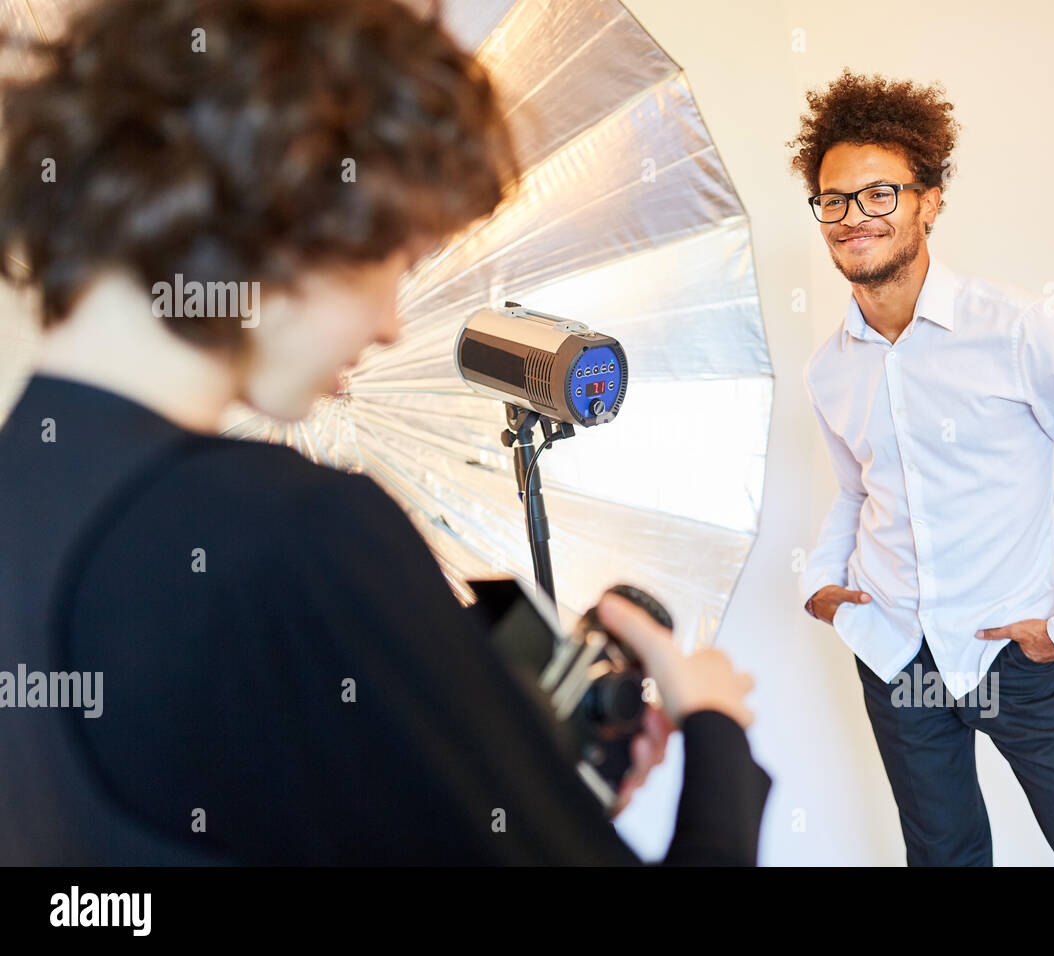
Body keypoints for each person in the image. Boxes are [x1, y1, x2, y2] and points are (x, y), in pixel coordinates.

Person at [0, 0, 769, 865]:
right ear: (289, 205)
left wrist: (516, 790)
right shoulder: (293, 533)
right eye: (397, 260)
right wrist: (716, 736)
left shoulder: (27, 495)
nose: (392, 324)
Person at [789, 71, 1054, 866]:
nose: (855, 217)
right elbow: (858, 492)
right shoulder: (830, 370)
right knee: (945, 860)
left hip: (1016, 655)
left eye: (881, 194)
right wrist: (822, 583)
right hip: (895, 657)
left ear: (929, 201)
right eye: (835, 200)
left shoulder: (1024, 331)